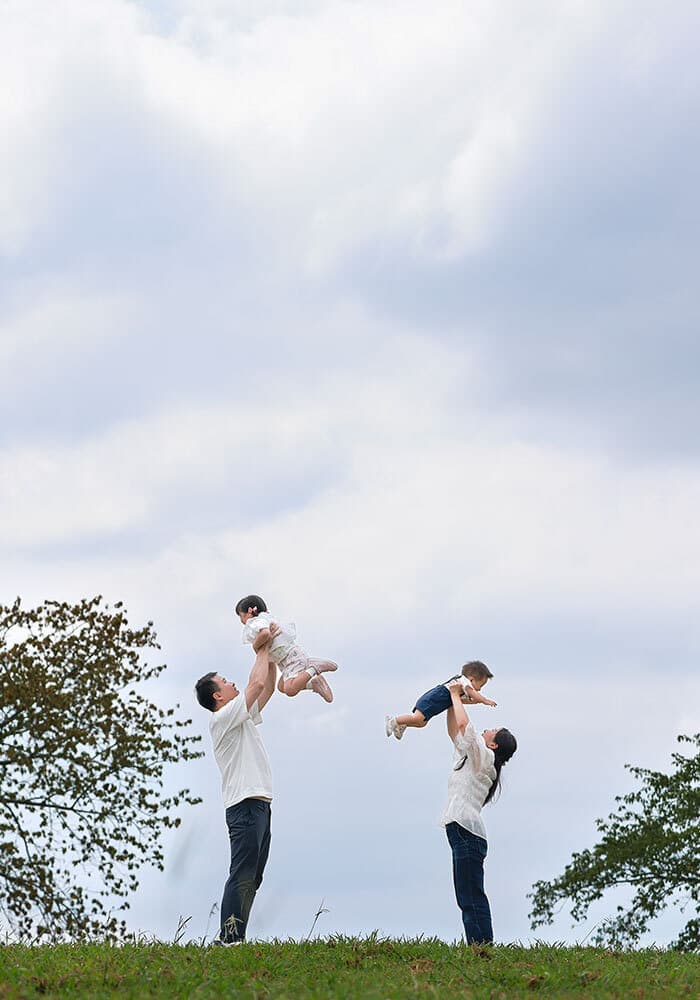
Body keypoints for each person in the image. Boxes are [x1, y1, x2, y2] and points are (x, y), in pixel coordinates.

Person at [195, 626, 279, 945]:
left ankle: (235, 936)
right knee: (242, 872)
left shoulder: (237, 716)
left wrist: (270, 652)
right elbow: (255, 683)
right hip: (244, 805)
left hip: (258, 803)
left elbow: (266, 688)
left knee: (253, 875)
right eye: (226, 682)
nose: (232, 683)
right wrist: (260, 647)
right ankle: (229, 939)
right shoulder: (222, 717)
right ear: (218, 695)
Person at [441, 679, 517, 944]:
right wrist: (451, 700)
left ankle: (481, 947)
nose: (486, 730)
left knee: (470, 895)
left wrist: (455, 695)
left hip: (465, 831)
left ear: (494, 745)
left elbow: (464, 725)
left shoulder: (485, 758)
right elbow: (455, 730)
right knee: (469, 893)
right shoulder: (476, 756)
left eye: (491, 731)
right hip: (463, 831)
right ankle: (482, 946)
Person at [235, 594, 338, 704]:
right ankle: (313, 683)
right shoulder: (264, 620)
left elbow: (265, 633)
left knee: (290, 690)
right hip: (286, 662)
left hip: (292, 657)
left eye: (241, 616)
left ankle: (314, 667)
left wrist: (255, 646)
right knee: (282, 687)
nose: (241, 620)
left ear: (250, 611)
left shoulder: (257, 622)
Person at [385, 660, 497, 740]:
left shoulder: (460, 688)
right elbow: (473, 693)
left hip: (434, 704)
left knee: (421, 723)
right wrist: (484, 700)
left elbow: (460, 701)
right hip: (431, 700)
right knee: (417, 718)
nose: (479, 689)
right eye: (480, 685)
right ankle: (394, 721)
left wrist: (475, 701)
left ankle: (403, 724)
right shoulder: (463, 682)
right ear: (472, 679)